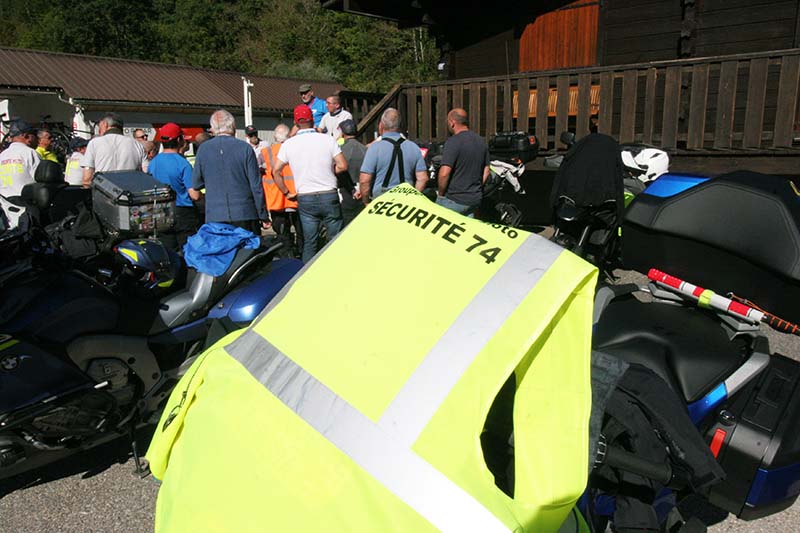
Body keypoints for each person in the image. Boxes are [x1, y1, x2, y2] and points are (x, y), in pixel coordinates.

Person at [272, 105, 346, 263]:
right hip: (328, 193)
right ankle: (337, 268)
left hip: (305, 196)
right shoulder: (327, 139)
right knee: (335, 240)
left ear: (295, 122)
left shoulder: (289, 144)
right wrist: (329, 171)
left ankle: (307, 273)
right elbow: (342, 165)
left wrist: (286, 192)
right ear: (312, 120)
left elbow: (276, 171)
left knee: (310, 242)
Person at [190, 109, 269, 234]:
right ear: (233, 126)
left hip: (215, 215)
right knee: (247, 246)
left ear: (213, 129)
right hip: (245, 213)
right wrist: (263, 214)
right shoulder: (245, 148)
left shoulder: (203, 150)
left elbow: (196, 183)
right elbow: (256, 186)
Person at [148, 123, 200, 252]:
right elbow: (194, 195)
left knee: (167, 252)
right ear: (179, 140)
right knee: (188, 252)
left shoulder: (153, 162)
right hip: (183, 212)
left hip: (160, 211)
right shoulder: (183, 163)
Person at [359, 108, 427, 204]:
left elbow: (364, 181)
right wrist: (414, 198)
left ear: (381, 125)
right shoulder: (414, 147)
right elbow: (423, 178)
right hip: (406, 201)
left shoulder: (374, 148)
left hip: (381, 202)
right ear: (399, 126)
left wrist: (366, 202)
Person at [436, 108, 490, 217]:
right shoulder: (481, 141)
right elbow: (487, 171)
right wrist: (476, 188)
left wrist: (440, 195)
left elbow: (444, 173)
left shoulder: (453, 142)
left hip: (454, 200)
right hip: (474, 200)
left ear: (452, 122)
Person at [261, 124, 302, 257]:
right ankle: (302, 257)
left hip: (277, 200)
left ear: (274, 137)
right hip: (296, 199)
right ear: (289, 135)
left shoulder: (266, 152)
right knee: (302, 233)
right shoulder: (297, 149)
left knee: (282, 235)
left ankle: (287, 257)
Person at [81, 112, 146, 188]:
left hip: (103, 191)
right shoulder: (137, 145)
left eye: (99, 126)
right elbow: (146, 173)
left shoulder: (94, 143)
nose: (99, 129)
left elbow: (87, 179)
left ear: (105, 124)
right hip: (130, 192)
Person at [0, 119, 40, 198]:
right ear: (26, 135)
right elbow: (41, 180)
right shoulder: (30, 153)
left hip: (4, 202)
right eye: (34, 135)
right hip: (25, 202)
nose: (37, 139)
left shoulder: (2, 155)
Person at [337, 119, 366, 226]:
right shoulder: (364, 149)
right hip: (363, 189)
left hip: (346, 191)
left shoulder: (339, 151)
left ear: (342, 133)